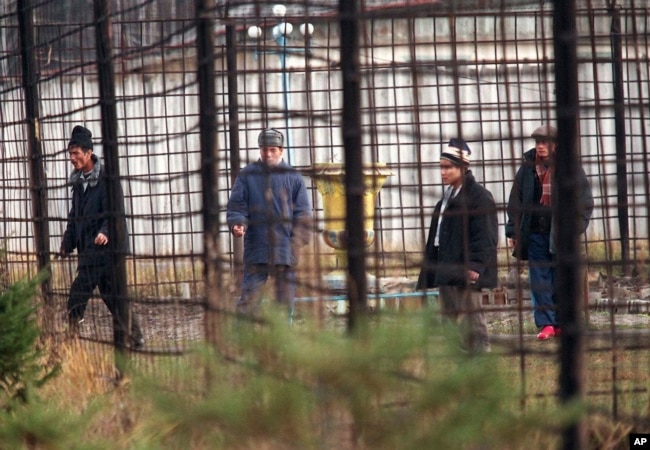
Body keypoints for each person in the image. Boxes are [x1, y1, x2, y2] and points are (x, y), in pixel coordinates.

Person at [505, 125, 594, 341]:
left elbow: (585, 203)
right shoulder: (527, 168)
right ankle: (547, 324)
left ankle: (563, 322)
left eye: (544, 142)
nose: (540, 147)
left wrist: (574, 230)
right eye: (537, 142)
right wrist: (513, 231)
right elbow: (515, 200)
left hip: (560, 234)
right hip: (535, 233)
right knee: (540, 280)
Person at [59, 125, 144, 348]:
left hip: (106, 249)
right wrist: (68, 242)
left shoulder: (106, 178)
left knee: (78, 293)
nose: (72, 158)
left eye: (76, 153)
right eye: (70, 153)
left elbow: (115, 210)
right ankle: (136, 337)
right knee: (114, 296)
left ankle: (70, 338)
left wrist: (105, 232)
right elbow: (75, 214)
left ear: (89, 153)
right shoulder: (78, 180)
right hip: (90, 248)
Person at [417, 138, 498, 353]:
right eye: (441, 167)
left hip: (467, 268)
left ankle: (480, 355)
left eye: (448, 167)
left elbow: (486, 235)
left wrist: (476, 265)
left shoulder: (479, 197)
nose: (442, 172)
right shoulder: (446, 198)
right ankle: (458, 356)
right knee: (450, 317)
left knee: (472, 316)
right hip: (447, 267)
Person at [227, 128, 312, 315]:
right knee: (249, 301)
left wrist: (295, 244)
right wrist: (237, 223)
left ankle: (282, 342)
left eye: (273, 149)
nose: (268, 154)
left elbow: (304, 215)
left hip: (285, 251)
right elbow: (237, 206)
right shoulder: (246, 175)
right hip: (257, 247)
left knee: (283, 304)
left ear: (281, 150)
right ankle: (241, 341)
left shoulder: (294, 177)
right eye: (264, 149)